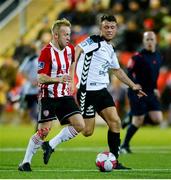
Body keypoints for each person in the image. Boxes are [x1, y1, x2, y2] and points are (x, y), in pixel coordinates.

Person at [75, 14, 146, 169]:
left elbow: (117, 70)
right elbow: (77, 48)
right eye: (106, 27)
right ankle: (54, 141)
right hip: (87, 91)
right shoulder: (94, 40)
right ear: (101, 28)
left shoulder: (110, 48)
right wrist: (71, 68)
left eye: (112, 27)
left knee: (115, 121)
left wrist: (133, 85)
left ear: (116, 29)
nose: (109, 30)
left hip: (101, 90)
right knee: (87, 131)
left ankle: (114, 161)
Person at [18, 18, 85, 171]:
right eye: (65, 35)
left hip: (64, 95)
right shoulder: (46, 52)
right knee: (43, 131)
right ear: (55, 36)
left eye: (69, 34)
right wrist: (58, 79)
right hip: (48, 96)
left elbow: (72, 62)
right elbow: (40, 77)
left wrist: (71, 81)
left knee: (80, 124)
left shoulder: (69, 49)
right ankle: (25, 162)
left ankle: (50, 145)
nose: (68, 38)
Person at [120, 31, 163, 154]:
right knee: (138, 121)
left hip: (150, 91)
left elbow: (155, 74)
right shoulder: (137, 57)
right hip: (137, 91)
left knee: (157, 119)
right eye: (147, 39)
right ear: (144, 42)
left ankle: (131, 115)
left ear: (156, 40)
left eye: (151, 39)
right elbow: (128, 72)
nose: (149, 42)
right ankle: (124, 145)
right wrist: (134, 84)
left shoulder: (159, 56)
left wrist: (155, 88)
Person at [18, 45, 39, 130]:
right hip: (29, 90)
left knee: (38, 109)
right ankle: (36, 121)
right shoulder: (29, 59)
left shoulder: (40, 58)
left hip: (39, 89)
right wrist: (31, 81)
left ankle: (38, 124)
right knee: (28, 110)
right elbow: (22, 71)